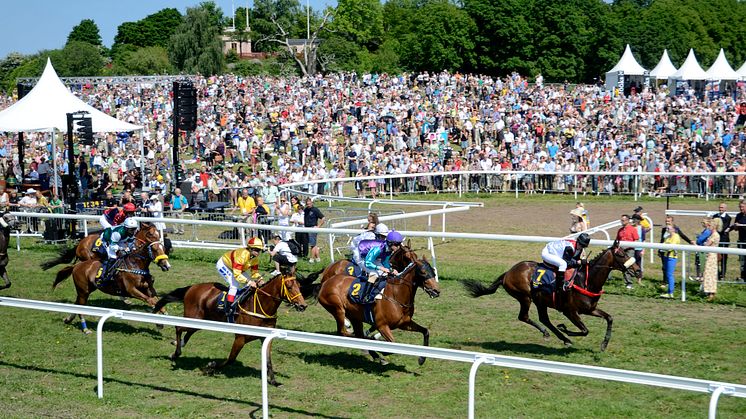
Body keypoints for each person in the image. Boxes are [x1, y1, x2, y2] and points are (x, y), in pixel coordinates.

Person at [217, 237, 265, 321]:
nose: (258, 252)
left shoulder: (254, 258)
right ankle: (228, 307)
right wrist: (249, 281)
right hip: (224, 265)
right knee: (234, 285)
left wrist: (259, 278)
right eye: (256, 250)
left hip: (238, 269)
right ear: (250, 248)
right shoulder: (242, 255)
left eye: (259, 250)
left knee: (251, 285)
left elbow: (254, 273)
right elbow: (237, 275)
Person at [360, 230, 404, 300]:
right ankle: (365, 296)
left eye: (399, 244)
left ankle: (378, 292)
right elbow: (367, 263)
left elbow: (385, 262)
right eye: (396, 245)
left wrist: (391, 270)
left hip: (374, 258)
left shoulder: (389, 250)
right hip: (361, 255)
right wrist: (380, 268)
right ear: (390, 243)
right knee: (374, 274)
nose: (398, 247)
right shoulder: (378, 248)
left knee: (385, 274)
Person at [615, 215, 639, 289]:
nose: (622, 222)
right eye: (621, 220)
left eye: (623, 220)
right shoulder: (620, 230)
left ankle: (630, 282)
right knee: (623, 265)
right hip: (621, 250)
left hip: (630, 249)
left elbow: (636, 239)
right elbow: (617, 240)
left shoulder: (632, 229)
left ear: (628, 220)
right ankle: (628, 282)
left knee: (627, 265)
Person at [725, 200, 746, 282]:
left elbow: (740, 225)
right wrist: (728, 229)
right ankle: (743, 277)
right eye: (740, 207)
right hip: (741, 240)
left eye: (742, 207)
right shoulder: (738, 215)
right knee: (742, 260)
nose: (741, 208)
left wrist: (741, 225)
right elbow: (735, 227)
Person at [701, 218, 721, 302]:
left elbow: (707, 244)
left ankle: (712, 293)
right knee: (708, 274)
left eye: (710, 225)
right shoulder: (712, 235)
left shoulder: (715, 235)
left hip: (711, 256)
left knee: (710, 274)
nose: (708, 227)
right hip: (709, 255)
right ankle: (709, 292)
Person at [659, 225, 681, 299]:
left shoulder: (676, 236)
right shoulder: (668, 237)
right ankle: (669, 291)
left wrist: (665, 248)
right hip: (666, 256)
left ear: (674, 229)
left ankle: (670, 292)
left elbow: (670, 247)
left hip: (672, 257)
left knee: (670, 275)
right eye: (667, 228)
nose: (667, 229)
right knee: (668, 274)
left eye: (669, 228)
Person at [711, 202, 731, 281]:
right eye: (720, 207)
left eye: (722, 208)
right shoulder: (715, 216)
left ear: (725, 209)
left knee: (723, 257)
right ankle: (715, 273)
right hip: (715, 239)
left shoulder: (728, 218)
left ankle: (722, 274)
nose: (720, 209)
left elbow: (722, 228)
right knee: (715, 257)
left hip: (723, 239)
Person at [303, 197, 325, 263]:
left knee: (312, 245)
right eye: (307, 203)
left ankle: (312, 259)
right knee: (314, 244)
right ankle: (318, 258)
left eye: (309, 203)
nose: (308, 204)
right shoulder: (306, 210)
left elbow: (323, 218)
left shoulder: (315, 210)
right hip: (307, 228)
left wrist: (318, 226)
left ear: (312, 203)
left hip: (313, 228)